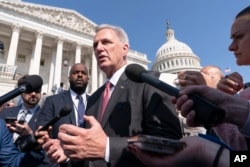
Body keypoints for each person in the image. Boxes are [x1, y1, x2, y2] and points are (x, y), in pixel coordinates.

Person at [42, 24, 182, 167]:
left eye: (106, 42)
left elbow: (170, 143)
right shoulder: (94, 98)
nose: (99, 48)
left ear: (124, 49)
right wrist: (68, 151)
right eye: (95, 45)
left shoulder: (149, 82)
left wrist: (108, 148)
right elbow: (87, 149)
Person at [0, 74, 54, 166]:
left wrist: (31, 135)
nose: (33, 94)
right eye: (29, 90)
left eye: (37, 91)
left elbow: (47, 148)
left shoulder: (46, 117)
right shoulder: (6, 112)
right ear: (21, 92)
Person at [37, 63, 89, 139]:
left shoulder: (96, 102)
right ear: (69, 78)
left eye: (83, 73)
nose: (80, 75)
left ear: (88, 79)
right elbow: (42, 130)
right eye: (75, 72)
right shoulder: (52, 101)